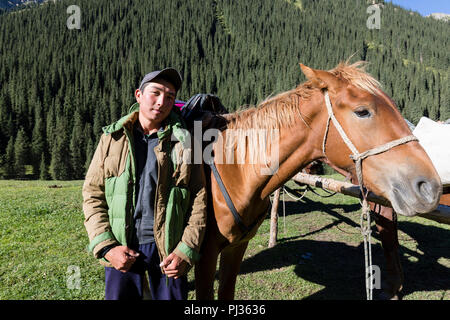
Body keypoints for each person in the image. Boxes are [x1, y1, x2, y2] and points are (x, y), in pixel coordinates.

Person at [82, 68, 207, 300]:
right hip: (122, 247)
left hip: (169, 251)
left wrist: (185, 250)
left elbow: (199, 198)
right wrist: (107, 247)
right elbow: (92, 194)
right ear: (138, 95)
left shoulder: (185, 143)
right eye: (155, 93)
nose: (162, 102)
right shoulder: (112, 139)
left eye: (170, 96)